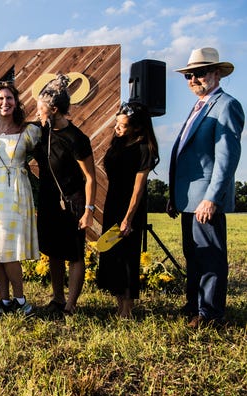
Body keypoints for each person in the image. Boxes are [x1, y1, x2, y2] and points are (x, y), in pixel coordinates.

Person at [167, 47, 244, 328]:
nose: (193, 79)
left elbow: (227, 158)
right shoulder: (198, 106)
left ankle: (211, 315)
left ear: (216, 73)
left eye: (199, 73)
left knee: (210, 256)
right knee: (194, 256)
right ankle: (194, 307)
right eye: (189, 75)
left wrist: (212, 198)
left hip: (205, 201)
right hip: (188, 200)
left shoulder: (226, 105)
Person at [0, 82, 41, 316]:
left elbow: (49, 156)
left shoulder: (29, 132)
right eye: (0, 99)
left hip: (17, 192)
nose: (5, 103)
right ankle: (4, 302)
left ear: (16, 102)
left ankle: (21, 301)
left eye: (9, 98)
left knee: (9, 249)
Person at [32, 73, 96, 317]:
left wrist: (88, 211)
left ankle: (71, 304)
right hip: (48, 201)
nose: (38, 114)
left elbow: (90, 178)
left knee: (74, 253)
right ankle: (57, 298)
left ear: (55, 109)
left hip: (73, 201)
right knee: (53, 251)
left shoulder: (77, 139)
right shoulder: (41, 133)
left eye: (41, 110)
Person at [97, 102, 159, 318]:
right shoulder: (118, 144)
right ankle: (118, 304)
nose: (117, 128)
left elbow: (138, 189)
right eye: (116, 124)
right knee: (114, 255)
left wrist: (128, 219)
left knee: (128, 258)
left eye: (122, 126)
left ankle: (128, 309)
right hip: (112, 205)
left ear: (138, 128)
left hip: (130, 209)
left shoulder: (144, 150)